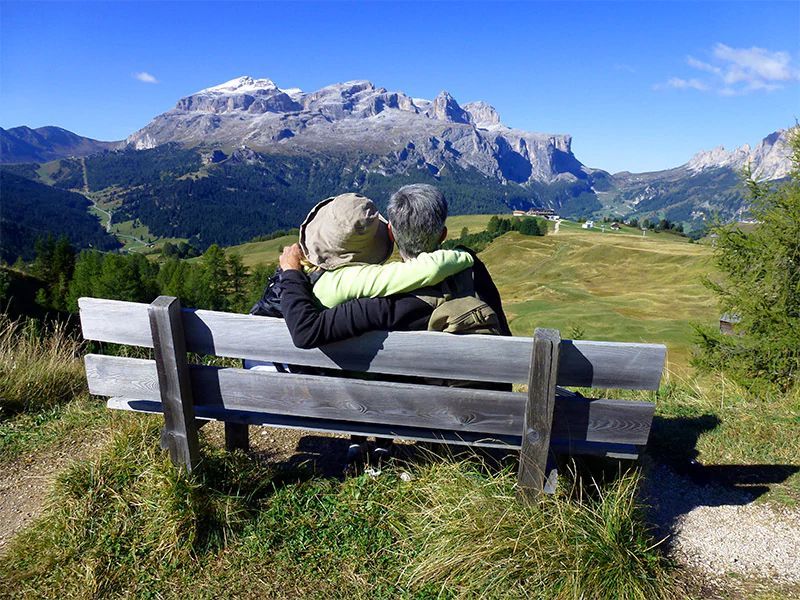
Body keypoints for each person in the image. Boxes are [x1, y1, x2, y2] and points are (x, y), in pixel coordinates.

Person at [277, 184, 511, 348]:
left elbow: (307, 331)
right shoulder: (473, 271)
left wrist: (291, 272)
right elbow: (503, 336)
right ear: (443, 235)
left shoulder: (378, 304)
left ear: (391, 232)